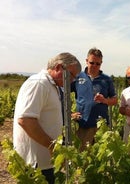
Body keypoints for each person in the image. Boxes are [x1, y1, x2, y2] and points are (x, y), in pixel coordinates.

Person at [13, 52, 81, 184]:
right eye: (71, 75)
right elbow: (25, 120)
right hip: (35, 165)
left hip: (45, 163)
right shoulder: (39, 84)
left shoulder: (52, 86)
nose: (72, 80)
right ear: (59, 67)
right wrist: (53, 147)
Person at [71, 47, 118, 150]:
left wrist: (105, 100)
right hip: (83, 125)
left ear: (101, 63)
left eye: (98, 64)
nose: (95, 66)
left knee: (101, 158)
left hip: (101, 126)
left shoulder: (106, 80)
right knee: (83, 158)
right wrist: (70, 114)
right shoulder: (77, 78)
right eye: (92, 63)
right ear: (86, 61)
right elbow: (63, 95)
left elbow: (115, 100)